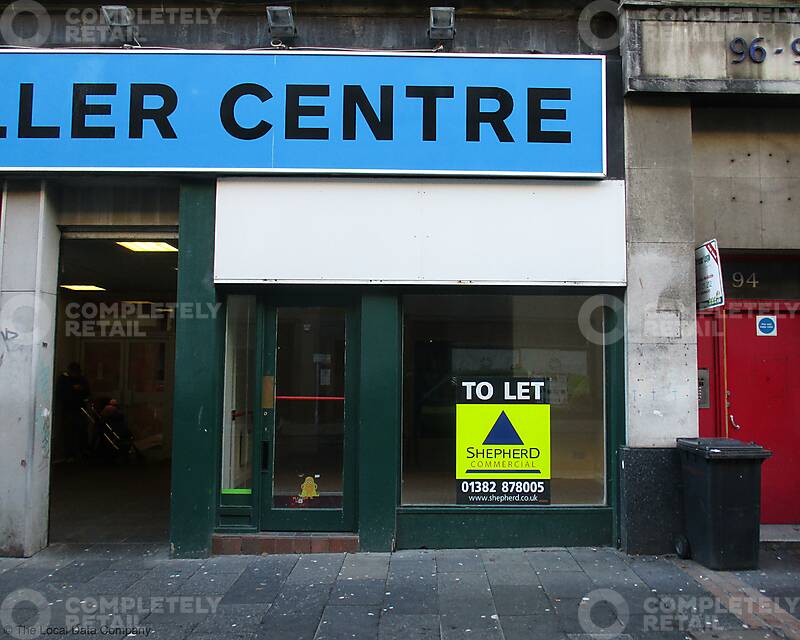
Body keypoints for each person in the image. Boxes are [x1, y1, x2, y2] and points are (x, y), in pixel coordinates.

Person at [56, 362, 91, 462]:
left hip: (79, 408)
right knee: (69, 432)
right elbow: (61, 394)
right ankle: (70, 454)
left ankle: (81, 452)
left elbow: (87, 392)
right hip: (69, 408)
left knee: (81, 431)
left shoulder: (80, 380)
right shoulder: (64, 379)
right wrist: (73, 389)